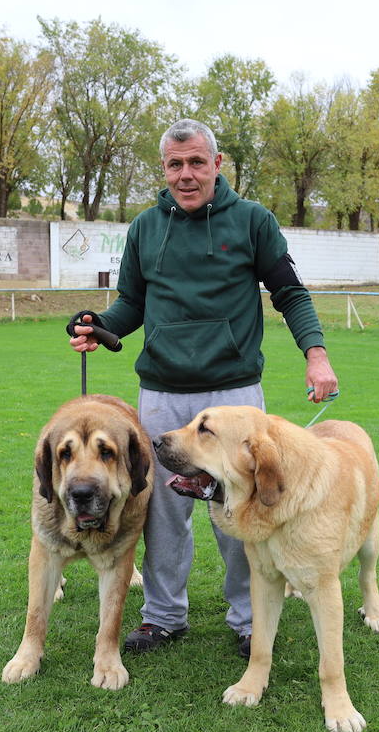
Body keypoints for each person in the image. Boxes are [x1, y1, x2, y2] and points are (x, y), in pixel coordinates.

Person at [68, 118, 338, 660]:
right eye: (175, 164)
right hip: (162, 394)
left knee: (246, 507)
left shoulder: (254, 222)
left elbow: (290, 292)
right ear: (164, 169)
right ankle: (164, 616)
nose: (186, 175)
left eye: (196, 163)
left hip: (234, 397)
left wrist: (317, 355)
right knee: (163, 512)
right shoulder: (145, 228)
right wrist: (102, 326)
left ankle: (249, 619)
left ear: (217, 165)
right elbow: (131, 306)